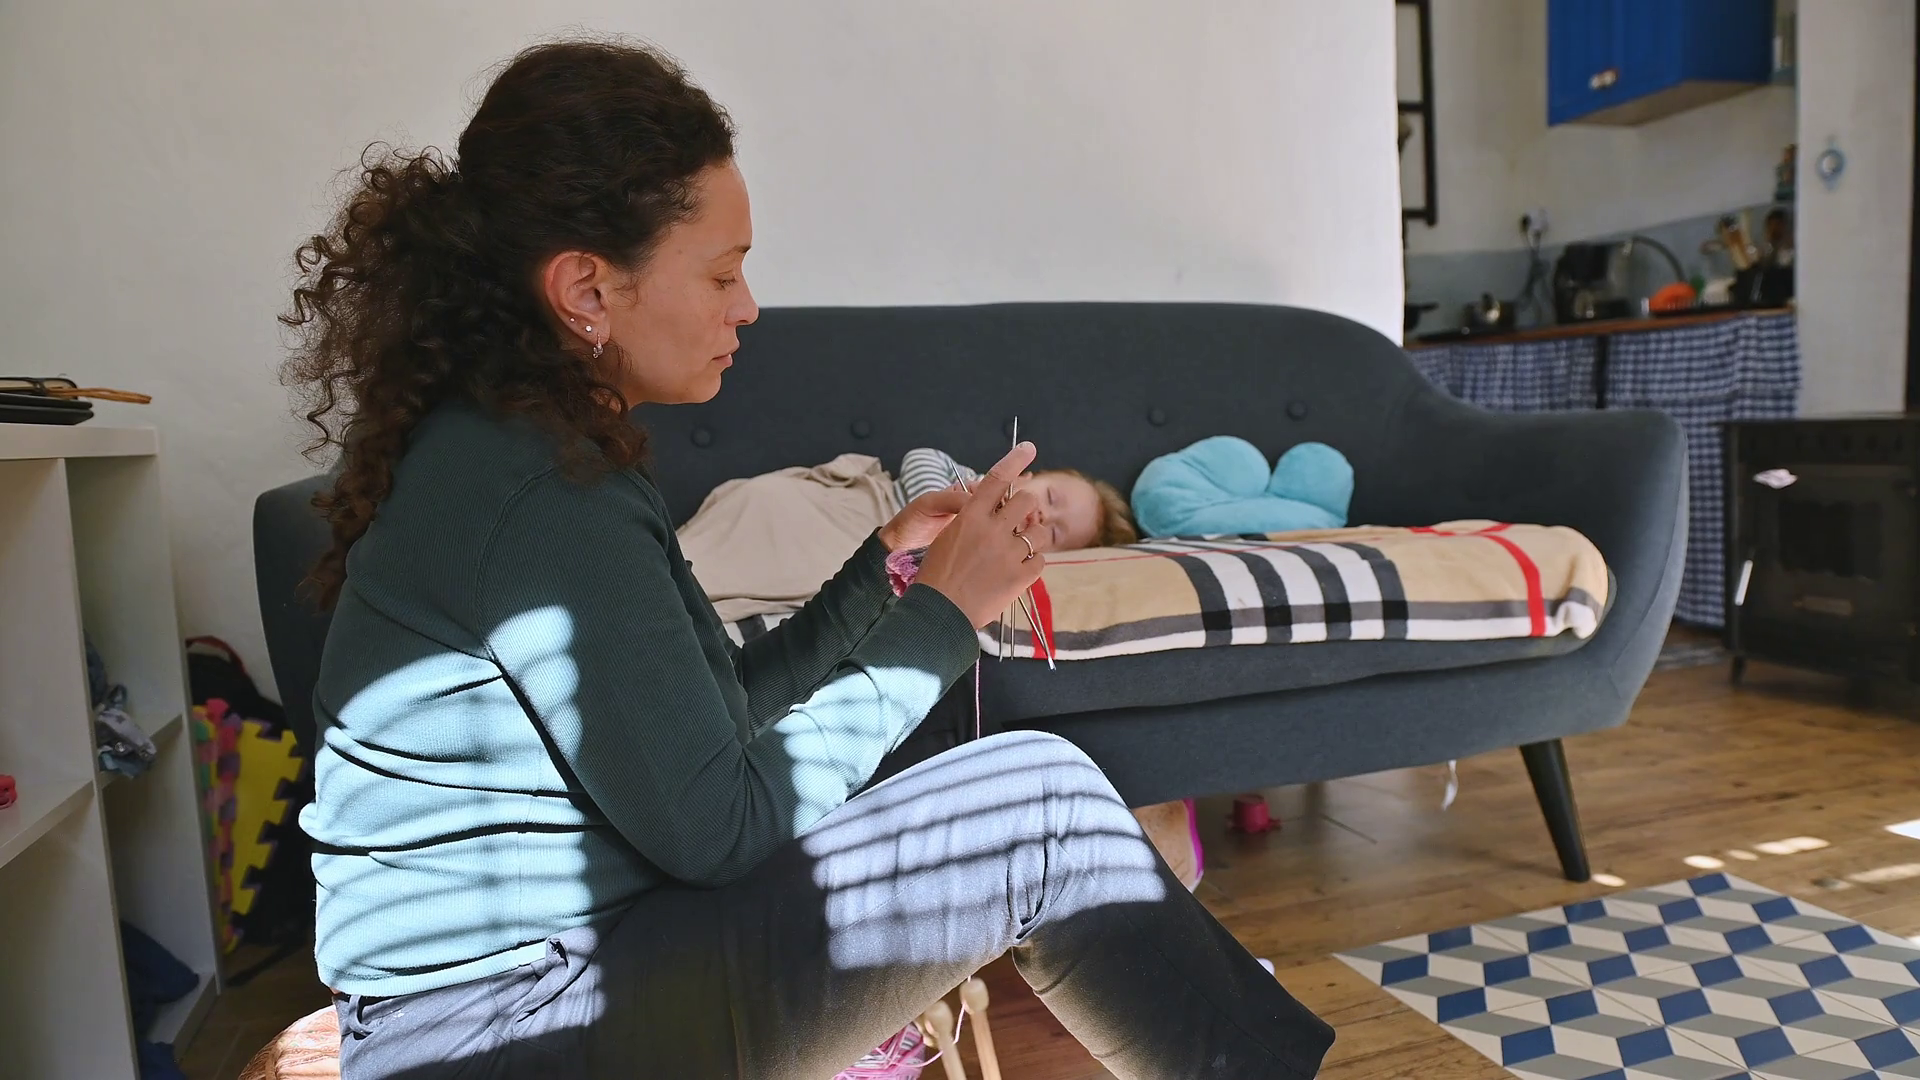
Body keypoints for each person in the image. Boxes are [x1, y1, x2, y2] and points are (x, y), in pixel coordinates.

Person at [284, 39, 1333, 1080]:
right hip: (501, 1028)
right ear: (586, 290)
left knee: (1029, 792)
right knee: (1041, 811)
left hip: (540, 983)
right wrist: (945, 615)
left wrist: (880, 573)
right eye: (722, 273)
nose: (747, 306)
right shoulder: (545, 491)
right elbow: (723, 826)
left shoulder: (527, 450)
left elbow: (721, 728)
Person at [895, 447, 1138, 552]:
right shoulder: (974, 482)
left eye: (1054, 533)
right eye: (1051, 498)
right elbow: (921, 456)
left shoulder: (994, 555)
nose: (1044, 515)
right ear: (1023, 476)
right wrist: (942, 501)